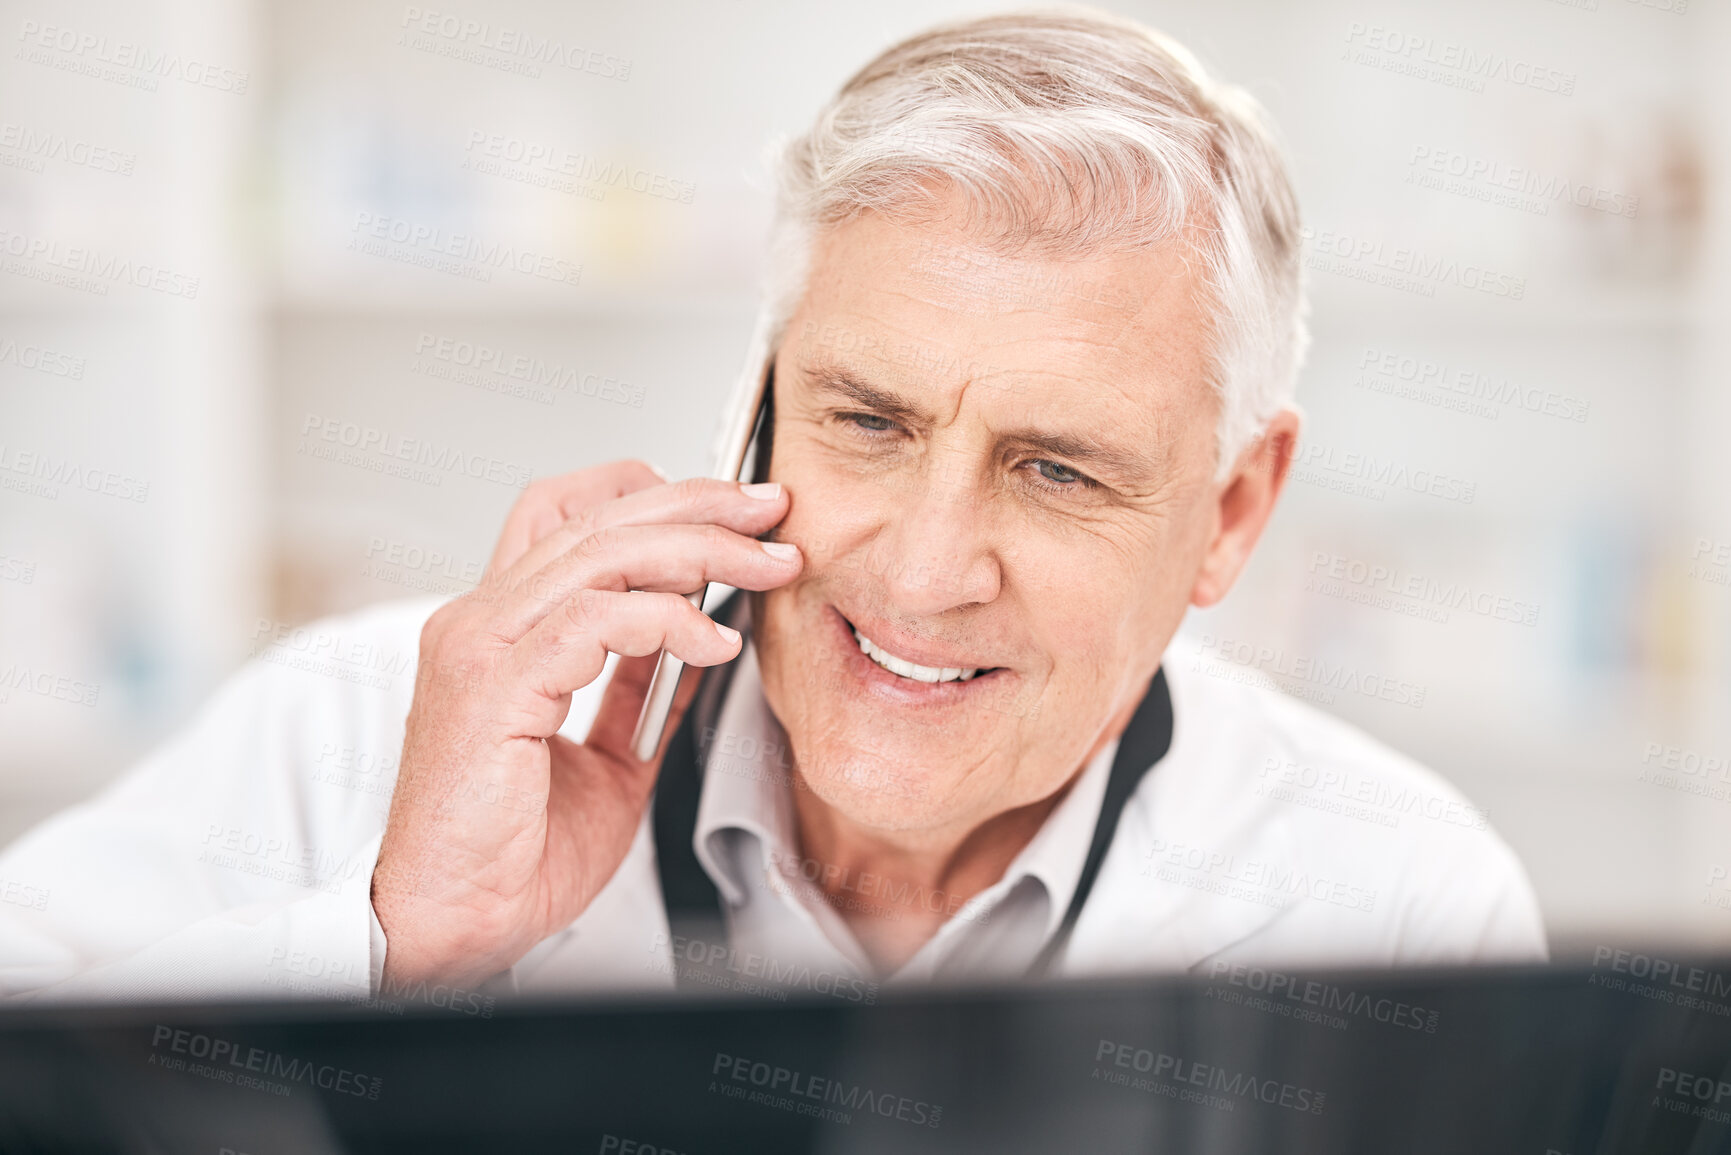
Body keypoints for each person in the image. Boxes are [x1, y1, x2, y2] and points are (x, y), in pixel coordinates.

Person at [0, 9, 1543, 1005]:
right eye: (866, 422)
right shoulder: (345, 733)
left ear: (1231, 511)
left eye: (1056, 468)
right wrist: (399, 946)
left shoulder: (1399, 901)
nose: (928, 572)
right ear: (759, 398)